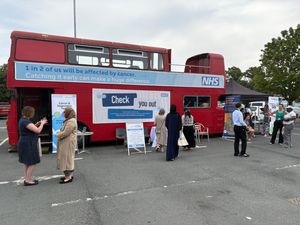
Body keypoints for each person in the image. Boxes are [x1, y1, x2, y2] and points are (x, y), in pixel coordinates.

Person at [17, 106, 48, 186]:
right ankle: (27, 180)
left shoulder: (23, 120)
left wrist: (37, 124)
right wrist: (42, 124)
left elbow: (31, 128)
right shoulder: (25, 121)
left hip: (25, 142)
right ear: (29, 113)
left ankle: (28, 178)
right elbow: (38, 131)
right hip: (28, 143)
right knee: (32, 162)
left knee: (27, 162)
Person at [56, 107, 77, 184]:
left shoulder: (71, 121)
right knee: (68, 158)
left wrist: (58, 134)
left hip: (67, 143)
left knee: (66, 159)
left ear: (68, 112)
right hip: (66, 142)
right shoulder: (70, 120)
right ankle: (69, 176)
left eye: (64, 112)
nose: (63, 113)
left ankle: (68, 177)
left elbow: (66, 132)